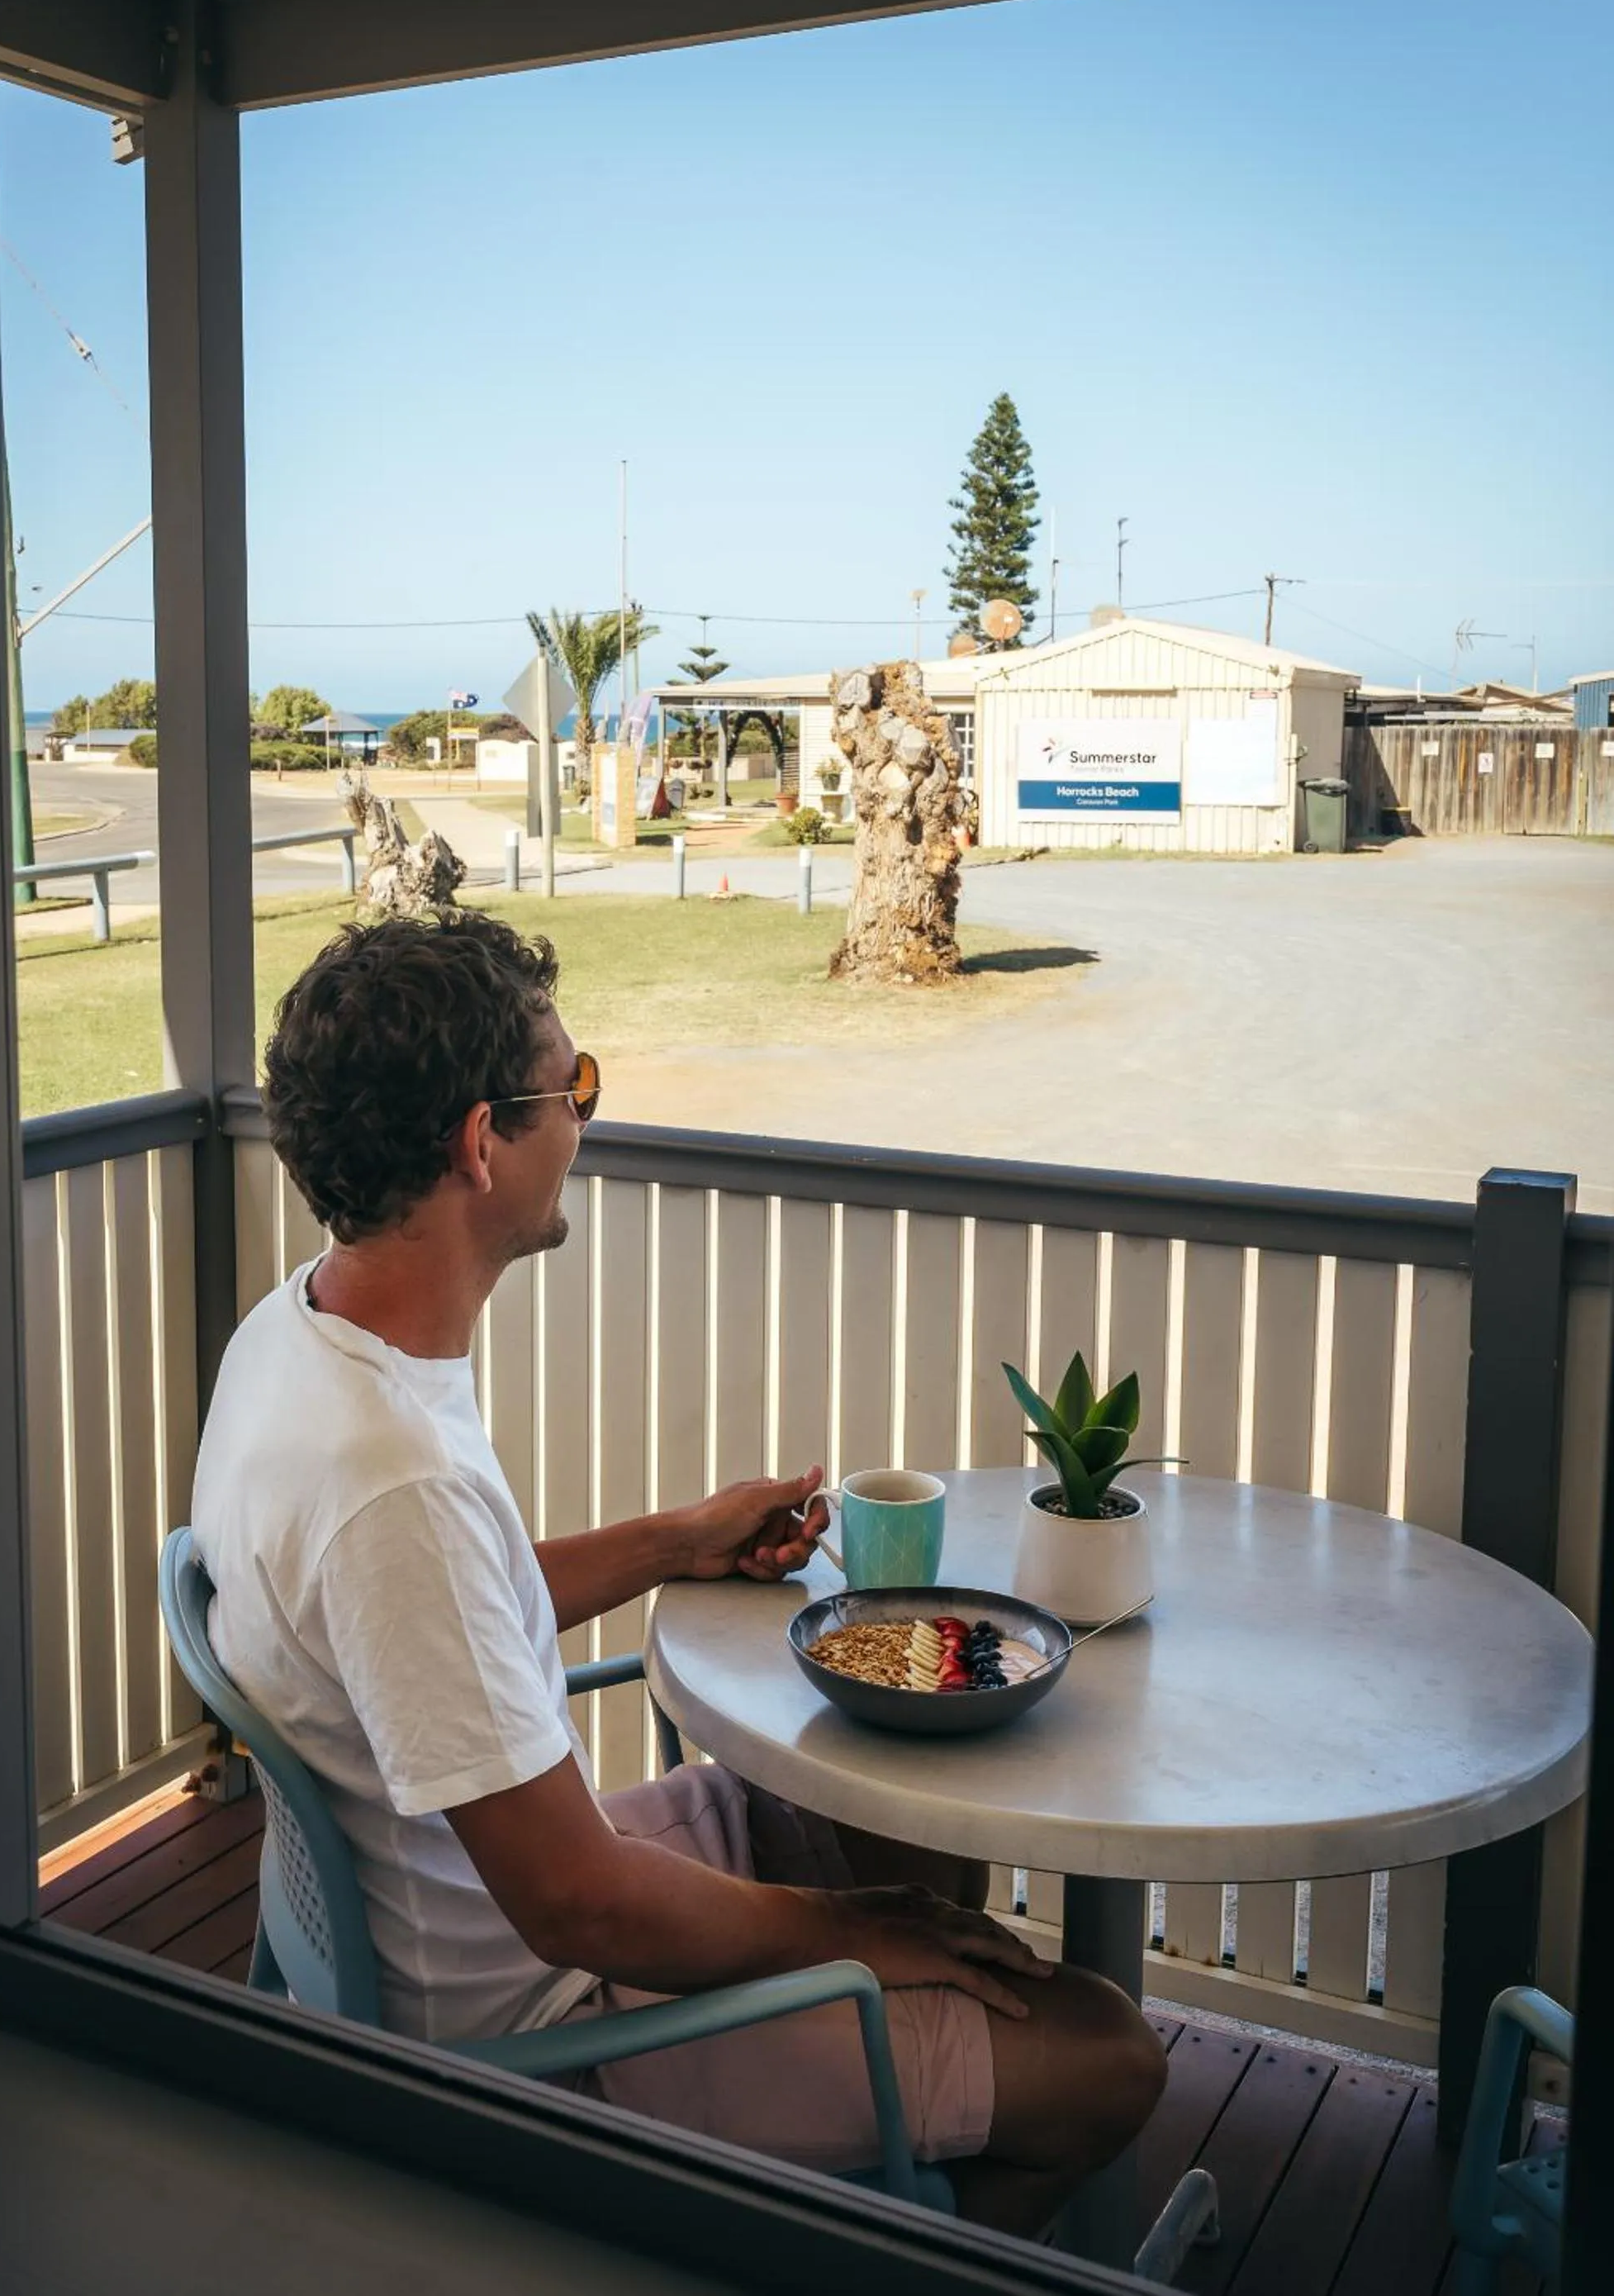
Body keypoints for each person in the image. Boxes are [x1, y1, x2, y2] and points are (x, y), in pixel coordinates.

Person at [192, 913, 1165, 2238]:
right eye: (575, 1087)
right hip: (539, 2026)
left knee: (913, 1832)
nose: (586, 1118)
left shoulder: (299, 1334)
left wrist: (678, 1542)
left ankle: (889, 2147)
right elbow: (578, 1905)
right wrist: (842, 1933)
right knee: (1107, 2055)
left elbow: (425, 1626)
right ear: (482, 1144)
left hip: (468, 1916)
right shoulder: (390, 1480)